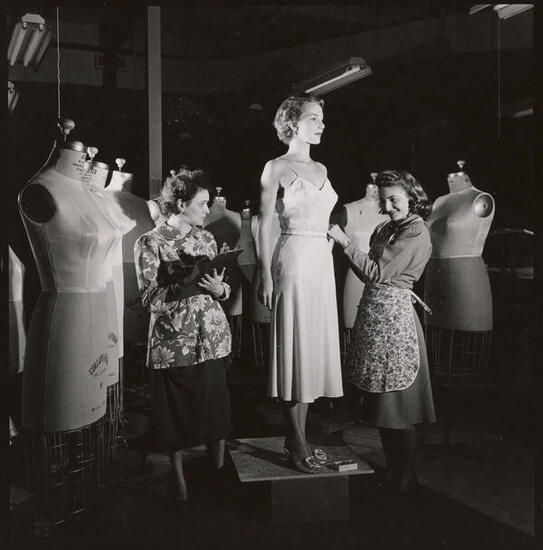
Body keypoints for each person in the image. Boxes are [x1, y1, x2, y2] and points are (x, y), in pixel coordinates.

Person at [328, 169, 436, 493]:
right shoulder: (385, 228)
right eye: (384, 200)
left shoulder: (417, 232)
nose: (388, 207)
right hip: (376, 318)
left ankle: (406, 475)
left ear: (412, 197)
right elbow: (368, 275)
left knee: (398, 408)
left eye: (395, 200)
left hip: (396, 324)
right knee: (382, 409)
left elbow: (376, 272)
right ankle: (394, 470)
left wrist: (345, 242)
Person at [134, 168, 232, 503]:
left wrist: (219, 289)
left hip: (212, 338)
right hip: (174, 343)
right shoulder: (149, 242)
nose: (208, 210)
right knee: (174, 417)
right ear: (180, 204)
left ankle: (218, 473)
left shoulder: (207, 239)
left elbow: (222, 288)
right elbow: (150, 299)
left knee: (216, 411)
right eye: (202, 203)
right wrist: (184, 282)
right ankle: (178, 482)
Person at [258, 96, 343, 474]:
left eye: (322, 119)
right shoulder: (275, 167)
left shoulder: (322, 167)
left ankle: (299, 437)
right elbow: (263, 223)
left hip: (321, 262)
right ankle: (296, 440)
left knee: (310, 351)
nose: (322, 125)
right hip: (292, 259)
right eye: (314, 118)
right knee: (294, 347)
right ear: (292, 123)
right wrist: (264, 273)